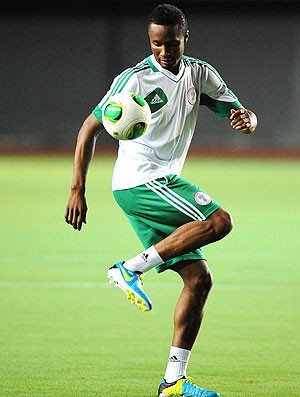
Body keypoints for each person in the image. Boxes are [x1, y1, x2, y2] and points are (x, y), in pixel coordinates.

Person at [65, 4, 257, 397]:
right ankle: (128, 269)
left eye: (171, 43)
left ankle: (173, 382)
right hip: (141, 180)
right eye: (156, 44)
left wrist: (247, 120)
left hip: (159, 182)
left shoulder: (200, 74)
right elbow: (90, 127)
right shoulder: (133, 80)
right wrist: (77, 188)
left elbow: (241, 113)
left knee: (199, 279)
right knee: (220, 221)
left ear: (185, 38)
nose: (164, 52)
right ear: (149, 41)